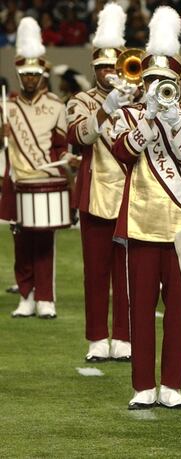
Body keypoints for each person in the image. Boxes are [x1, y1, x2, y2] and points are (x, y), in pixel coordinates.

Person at [110, 6, 181, 410]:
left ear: (176, 84)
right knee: (141, 307)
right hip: (141, 221)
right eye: (151, 81)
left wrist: (172, 120)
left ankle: (172, 385)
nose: (156, 87)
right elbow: (122, 152)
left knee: (179, 311)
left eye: (164, 82)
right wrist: (149, 119)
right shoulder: (128, 115)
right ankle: (142, 386)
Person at [66, 2, 131, 363]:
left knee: (127, 273)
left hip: (132, 196)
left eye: (112, 67)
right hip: (94, 195)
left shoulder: (139, 100)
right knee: (95, 273)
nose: (108, 73)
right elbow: (79, 136)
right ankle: (96, 337)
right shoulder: (80, 100)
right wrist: (107, 108)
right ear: (94, 70)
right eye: (102, 68)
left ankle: (123, 336)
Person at [0, 17, 68, 319]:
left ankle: (45, 298)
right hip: (18, 181)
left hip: (46, 181)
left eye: (34, 75)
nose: (29, 79)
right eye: (25, 74)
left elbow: (61, 146)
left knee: (44, 242)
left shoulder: (56, 105)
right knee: (21, 241)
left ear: (42, 75)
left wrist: (67, 161)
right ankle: (25, 295)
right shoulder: (7, 107)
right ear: (19, 75)